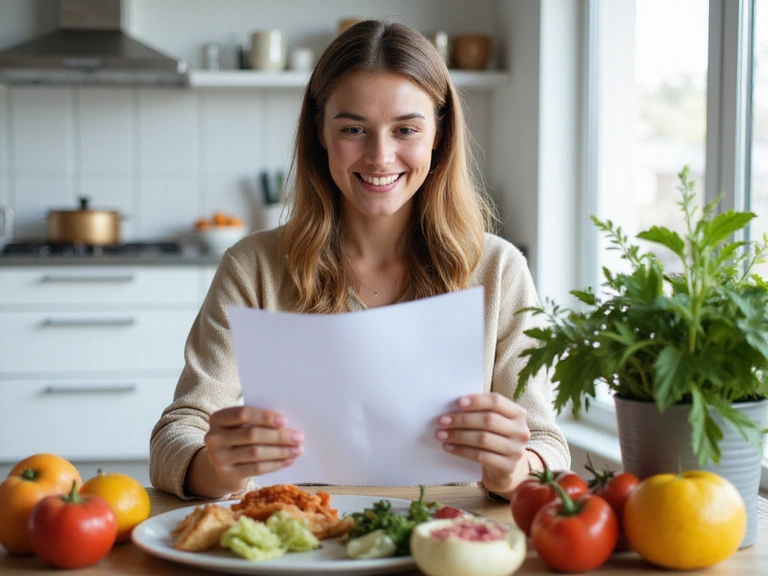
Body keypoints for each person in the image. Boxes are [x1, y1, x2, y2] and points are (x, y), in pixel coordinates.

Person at [150, 20, 570, 501]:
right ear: (321, 132)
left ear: (439, 134)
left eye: (406, 129)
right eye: (353, 129)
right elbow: (176, 434)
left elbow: (547, 444)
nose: (380, 156)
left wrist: (516, 469)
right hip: (304, 536)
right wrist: (217, 468)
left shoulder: (498, 269)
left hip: (444, 540)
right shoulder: (253, 267)